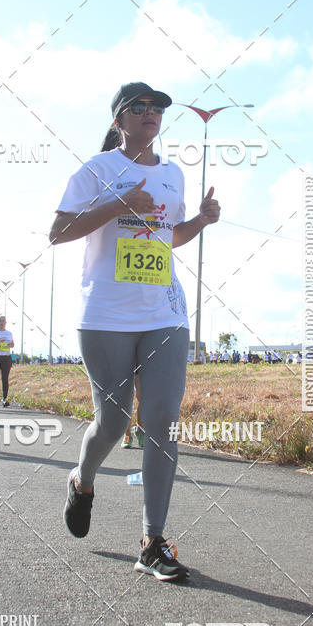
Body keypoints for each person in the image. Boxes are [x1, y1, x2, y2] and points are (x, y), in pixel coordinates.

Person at [50, 81, 220, 582]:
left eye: (157, 108)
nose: (150, 113)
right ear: (118, 121)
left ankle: (152, 541)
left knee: (162, 421)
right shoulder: (97, 170)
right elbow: (58, 231)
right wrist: (120, 204)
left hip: (164, 312)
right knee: (114, 419)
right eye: (138, 107)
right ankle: (82, 481)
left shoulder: (173, 174)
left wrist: (201, 221)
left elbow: (171, 237)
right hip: (105, 314)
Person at [121, 367, 144, 449]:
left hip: (140, 360)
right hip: (124, 361)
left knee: (143, 397)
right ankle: (127, 435)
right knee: (126, 400)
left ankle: (140, 430)